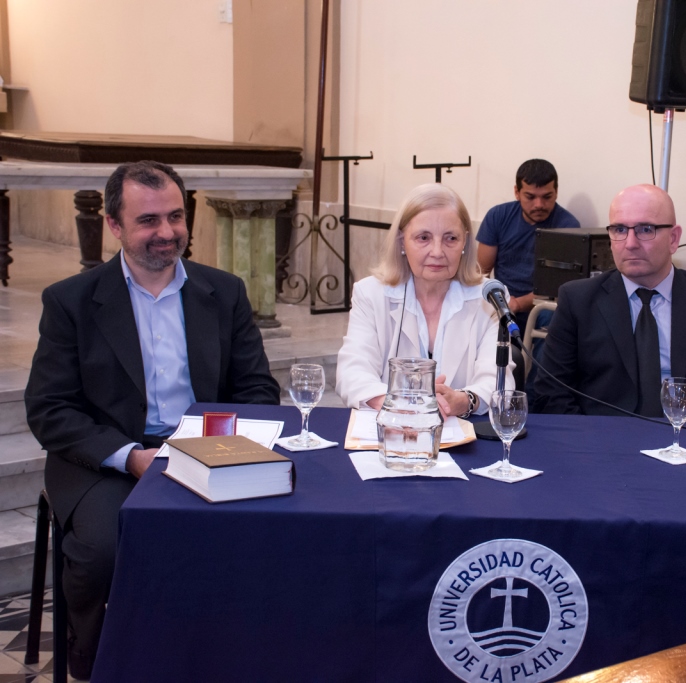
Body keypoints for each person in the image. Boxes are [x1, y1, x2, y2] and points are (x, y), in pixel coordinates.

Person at [24, 160, 281, 679]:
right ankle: (95, 659)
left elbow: (257, 389)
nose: (167, 233)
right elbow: (50, 408)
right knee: (103, 549)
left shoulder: (223, 291)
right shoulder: (72, 301)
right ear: (115, 226)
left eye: (176, 217)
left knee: (270, 531)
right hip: (107, 457)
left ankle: (229, 655)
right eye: (148, 221)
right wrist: (131, 457)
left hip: (208, 447)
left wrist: (219, 446)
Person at [533, 184, 686, 420]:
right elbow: (552, 394)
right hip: (604, 443)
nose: (630, 243)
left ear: (673, 238)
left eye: (645, 229)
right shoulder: (578, 300)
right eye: (619, 229)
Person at [336, 183, 512, 418]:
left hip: (460, 433)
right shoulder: (370, 294)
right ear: (401, 241)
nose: (437, 251)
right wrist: (402, 403)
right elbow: (351, 373)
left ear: (465, 243)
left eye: (450, 238)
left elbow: (499, 380)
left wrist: (463, 400)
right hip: (392, 431)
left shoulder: (489, 298)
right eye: (423, 237)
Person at [476, 158, 580, 330]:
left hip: (542, 304)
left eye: (547, 197)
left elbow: (558, 288)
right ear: (517, 192)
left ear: (556, 192)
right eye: (530, 197)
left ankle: (538, 359)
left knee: (553, 317)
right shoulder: (498, 216)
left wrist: (518, 304)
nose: (539, 205)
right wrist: (500, 302)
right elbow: (481, 273)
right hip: (501, 301)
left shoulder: (567, 226)